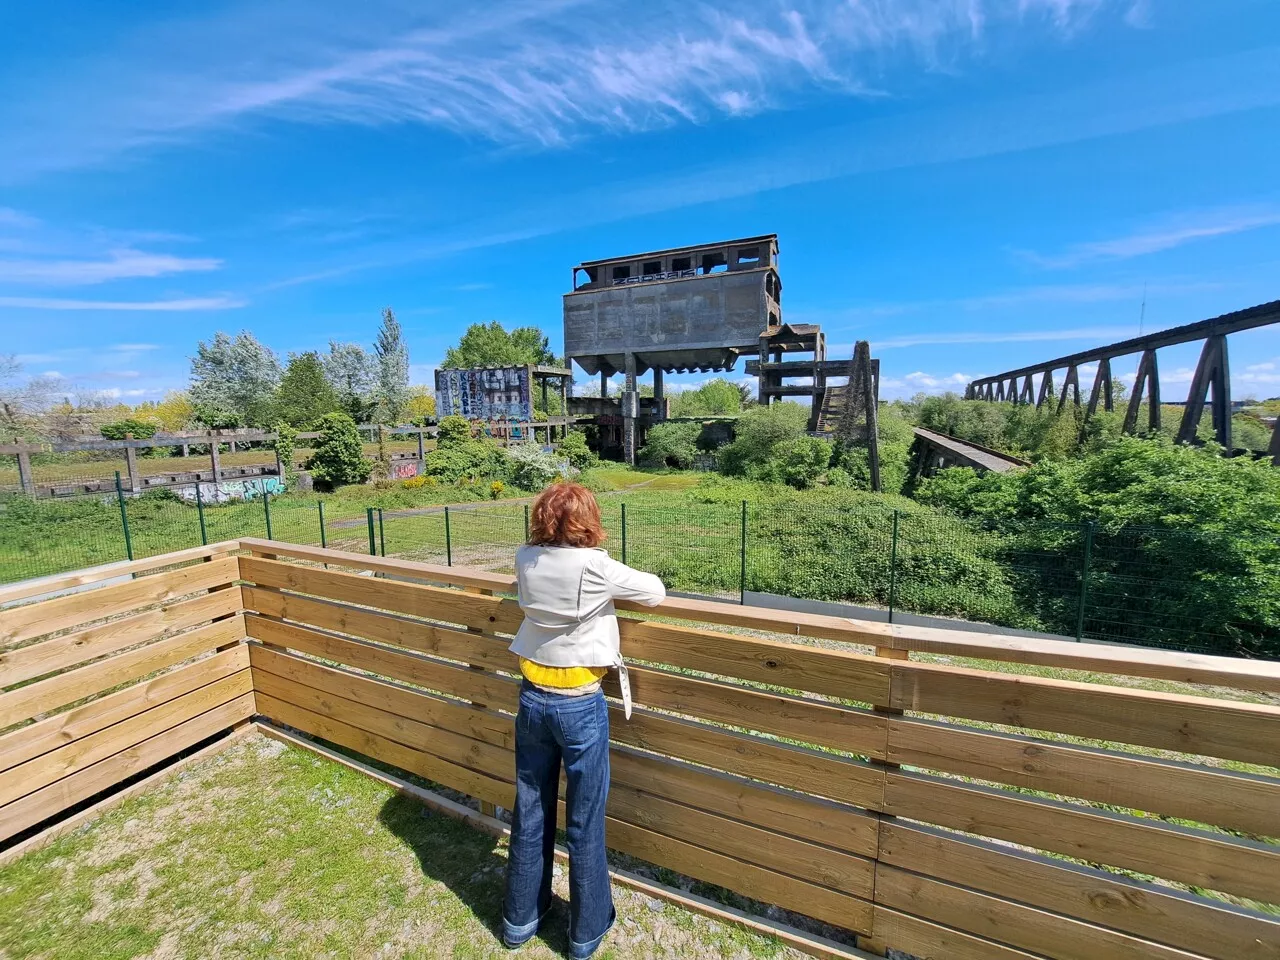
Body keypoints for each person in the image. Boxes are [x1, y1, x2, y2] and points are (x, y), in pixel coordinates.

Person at [502, 482, 665, 957]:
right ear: (587, 519)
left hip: (532, 698)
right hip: (579, 704)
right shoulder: (594, 566)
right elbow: (654, 592)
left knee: (530, 809)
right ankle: (585, 931)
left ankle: (520, 920)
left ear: (542, 518)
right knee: (585, 820)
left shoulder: (524, 558)